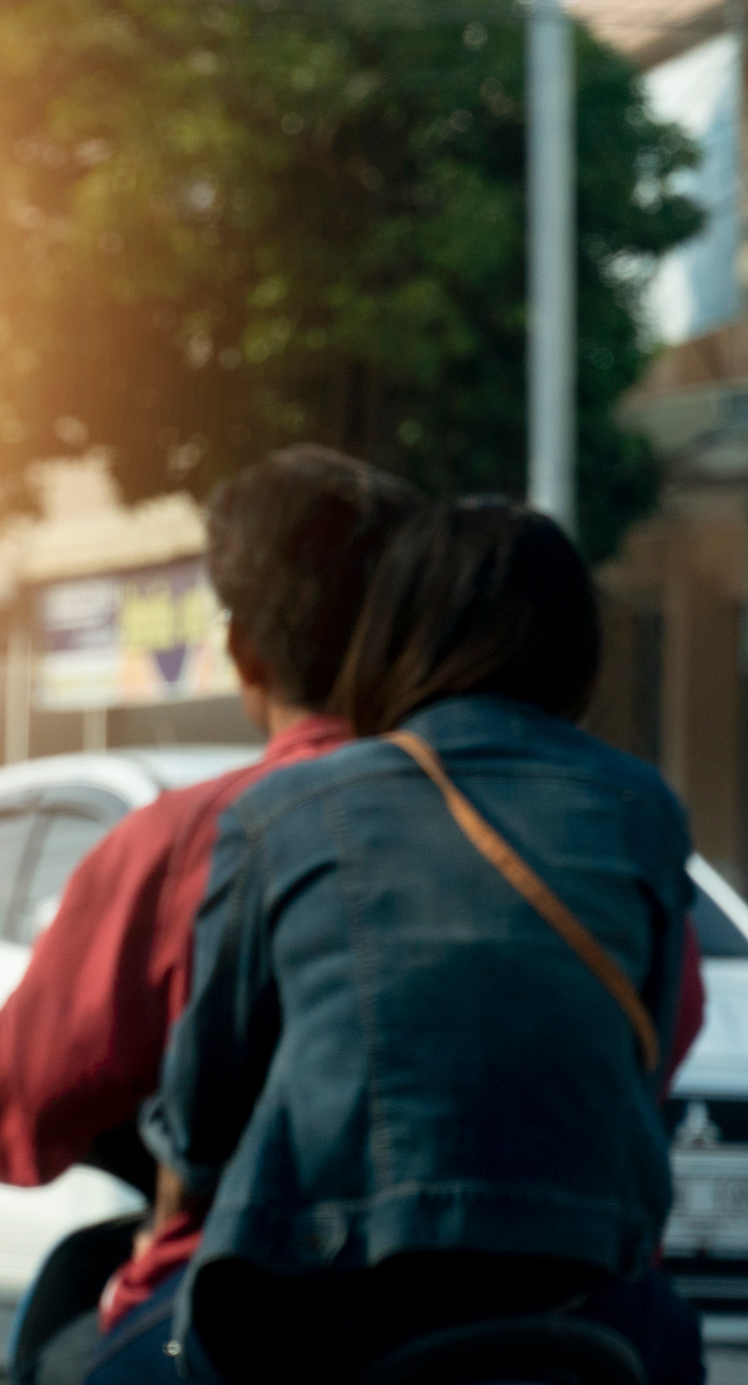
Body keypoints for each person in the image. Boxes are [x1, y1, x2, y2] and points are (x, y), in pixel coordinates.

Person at [132, 499, 703, 1385]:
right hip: (587, 1292)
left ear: (393, 633)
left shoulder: (283, 814)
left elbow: (203, 1111)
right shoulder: (642, 810)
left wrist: (153, 1245)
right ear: (576, 644)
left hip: (327, 1296)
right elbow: (651, 1047)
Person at [0, 447, 425, 1379]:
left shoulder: (194, 837)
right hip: (547, 1297)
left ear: (242, 651)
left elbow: (36, 1071)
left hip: (262, 1298)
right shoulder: (542, 831)